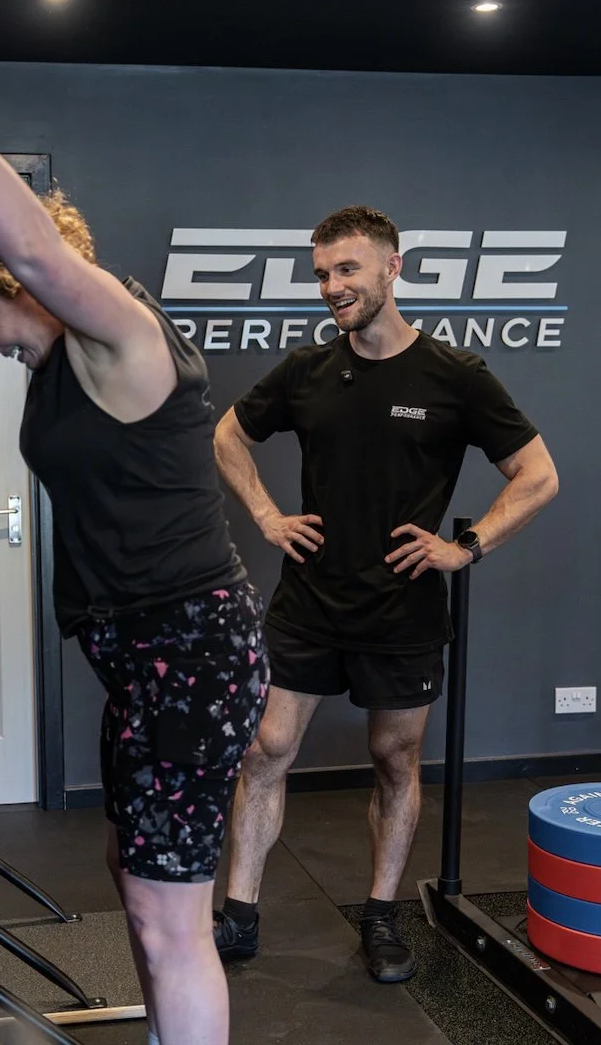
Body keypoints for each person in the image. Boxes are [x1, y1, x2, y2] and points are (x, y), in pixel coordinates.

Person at [0, 24, 269, 1045]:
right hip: (148, 660)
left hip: (190, 653)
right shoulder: (64, 351)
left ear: (27, 291)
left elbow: (21, 246)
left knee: (168, 919)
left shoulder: (124, 339)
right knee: (136, 881)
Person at [211, 204, 558, 983]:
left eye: (347, 269)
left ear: (392, 269)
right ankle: (238, 916)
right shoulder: (307, 371)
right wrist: (265, 514)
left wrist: (466, 547)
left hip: (403, 611)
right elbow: (228, 434)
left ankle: (380, 915)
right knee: (265, 750)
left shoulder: (454, 375)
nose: (331, 286)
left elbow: (538, 475)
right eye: (321, 274)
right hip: (309, 601)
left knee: (394, 758)